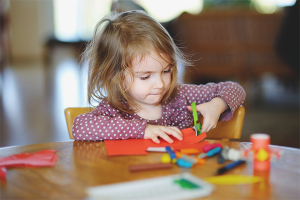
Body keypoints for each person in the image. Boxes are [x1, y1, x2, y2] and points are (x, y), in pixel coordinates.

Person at [72, 10, 246, 144]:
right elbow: (80, 126)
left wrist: (217, 105)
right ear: (115, 76)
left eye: (166, 71)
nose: (160, 84)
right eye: (146, 77)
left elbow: (235, 88)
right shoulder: (114, 108)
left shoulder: (179, 96)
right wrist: (143, 130)